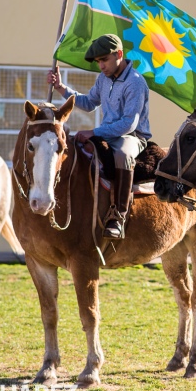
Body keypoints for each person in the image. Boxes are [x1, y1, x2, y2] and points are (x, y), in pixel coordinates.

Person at [47, 34, 151, 239]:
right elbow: (88, 103)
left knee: (121, 153)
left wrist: (94, 132)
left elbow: (128, 124)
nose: (101, 66)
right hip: (108, 133)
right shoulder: (103, 79)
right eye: (98, 62)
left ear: (119, 54)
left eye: (104, 60)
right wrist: (61, 88)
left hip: (132, 136)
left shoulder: (136, 82)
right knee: (75, 146)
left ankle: (118, 215)